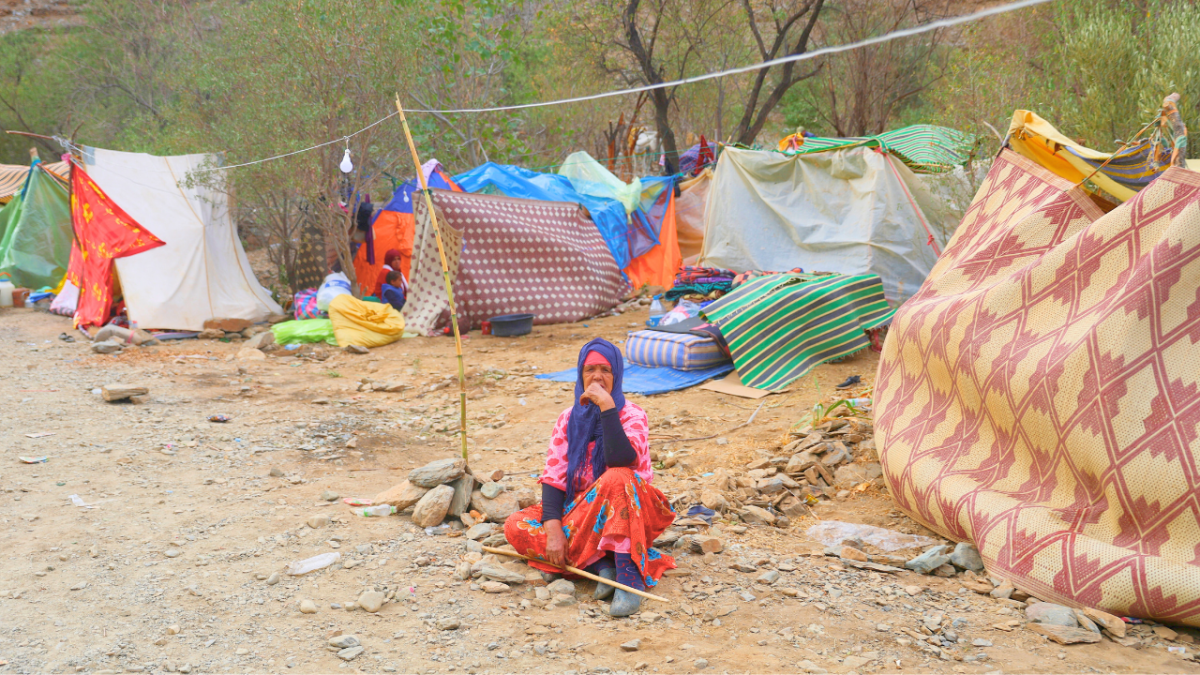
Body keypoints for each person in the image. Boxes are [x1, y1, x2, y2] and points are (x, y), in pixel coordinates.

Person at [504, 338, 676, 617]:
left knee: (617, 477)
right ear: (580, 375)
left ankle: (628, 577)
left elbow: (621, 459)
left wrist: (608, 408)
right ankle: (600, 566)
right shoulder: (567, 418)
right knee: (515, 524)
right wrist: (553, 531)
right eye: (590, 369)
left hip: (633, 514)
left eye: (606, 370)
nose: (597, 376)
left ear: (617, 376)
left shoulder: (633, 415)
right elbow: (555, 477)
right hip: (584, 510)